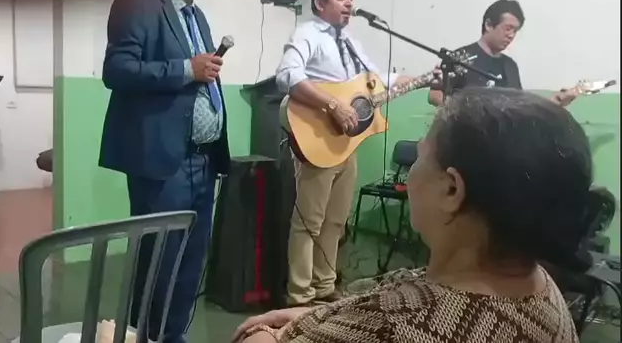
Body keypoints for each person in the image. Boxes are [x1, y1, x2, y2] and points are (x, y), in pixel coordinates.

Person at [234, 86, 611, 343]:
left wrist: (263, 335)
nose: (411, 172)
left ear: (451, 190)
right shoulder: (544, 289)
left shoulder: (395, 323)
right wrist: (314, 316)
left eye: (421, 156)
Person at [98, 0, 230, 342]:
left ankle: (173, 336)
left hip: (203, 160)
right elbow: (117, 70)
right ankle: (145, 337)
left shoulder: (198, 17)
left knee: (191, 262)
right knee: (158, 263)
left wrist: (199, 73)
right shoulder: (136, 3)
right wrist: (187, 68)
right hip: (162, 161)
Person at [276, 0, 412, 308]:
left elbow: (372, 80)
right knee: (310, 221)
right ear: (320, 3)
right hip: (317, 136)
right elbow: (288, 75)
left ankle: (324, 286)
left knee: (336, 220)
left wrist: (415, 79)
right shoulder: (308, 33)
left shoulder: (350, 40)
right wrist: (333, 105)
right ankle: (300, 294)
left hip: (346, 143)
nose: (349, 4)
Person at [428, 0, 576, 107]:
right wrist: (467, 114)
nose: (511, 35)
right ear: (488, 25)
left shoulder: (510, 66)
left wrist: (555, 102)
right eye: (508, 28)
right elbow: (434, 95)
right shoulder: (460, 57)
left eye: (515, 31)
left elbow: (519, 107)